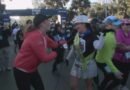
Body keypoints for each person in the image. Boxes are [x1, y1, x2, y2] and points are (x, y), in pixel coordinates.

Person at [13, 14, 58, 90]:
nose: (50, 22)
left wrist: (62, 43)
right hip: (21, 70)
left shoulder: (43, 35)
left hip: (32, 69)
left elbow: (54, 45)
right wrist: (56, 53)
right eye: (48, 21)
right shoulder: (35, 36)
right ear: (42, 24)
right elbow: (44, 58)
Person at [67, 15, 97, 90]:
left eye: (77, 24)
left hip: (88, 64)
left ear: (83, 24)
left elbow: (98, 46)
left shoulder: (92, 36)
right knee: (73, 86)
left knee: (89, 86)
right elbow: (71, 44)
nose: (75, 26)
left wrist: (98, 45)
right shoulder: (77, 33)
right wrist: (67, 57)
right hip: (77, 62)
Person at [95, 16, 123, 90]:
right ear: (108, 25)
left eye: (118, 25)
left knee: (108, 77)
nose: (119, 26)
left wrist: (116, 45)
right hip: (103, 62)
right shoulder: (110, 37)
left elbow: (106, 47)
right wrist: (115, 71)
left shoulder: (108, 34)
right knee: (117, 79)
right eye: (116, 25)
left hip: (101, 60)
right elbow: (106, 58)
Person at [113, 19, 130, 90]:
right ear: (122, 25)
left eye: (129, 24)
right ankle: (117, 85)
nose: (128, 26)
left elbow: (124, 46)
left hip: (128, 58)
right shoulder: (119, 32)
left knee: (127, 73)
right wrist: (126, 47)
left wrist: (126, 47)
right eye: (127, 24)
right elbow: (120, 46)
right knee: (120, 74)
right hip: (119, 58)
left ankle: (123, 85)